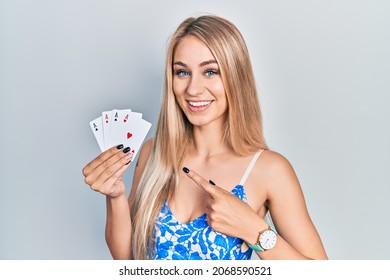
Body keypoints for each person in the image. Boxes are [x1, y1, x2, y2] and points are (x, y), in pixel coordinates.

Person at [82, 15, 328, 260]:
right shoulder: (153, 152)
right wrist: (115, 197)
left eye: (210, 72)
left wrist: (254, 230)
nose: (193, 89)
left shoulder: (269, 169)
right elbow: (126, 259)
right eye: (182, 72)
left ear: (236, 77)